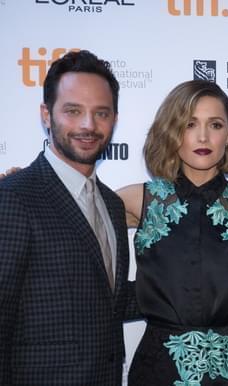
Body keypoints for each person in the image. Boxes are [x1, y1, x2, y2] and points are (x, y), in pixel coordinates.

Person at [0, 50, 138, 385]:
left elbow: (108, 303)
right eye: (73, 111)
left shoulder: (112, 205)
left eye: (101, 113)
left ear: (114, 119)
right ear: (46, 115)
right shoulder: (14, 197)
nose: (88, 125)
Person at [116, 80, 228, 386]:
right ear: (172, 131)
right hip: (158, 367)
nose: (203, 136)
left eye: (215, 124)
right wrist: (23, 188)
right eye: (190, 124)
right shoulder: (141, 199)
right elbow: (73, 216)